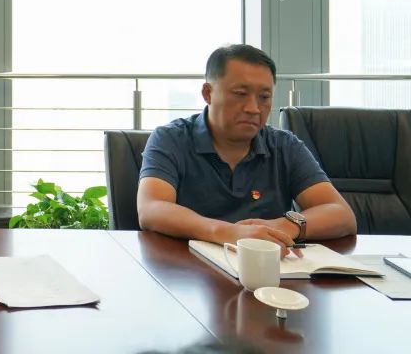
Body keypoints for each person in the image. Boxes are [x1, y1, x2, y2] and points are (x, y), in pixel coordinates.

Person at [137, 44, 356, 256]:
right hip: (188, 269)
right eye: (240, 94)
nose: (253, 108)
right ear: (208, 93)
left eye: (264, 97)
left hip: (268, 271)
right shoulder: (170, 139)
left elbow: (342, 214)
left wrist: (283, 227)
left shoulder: (284, 146)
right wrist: (227, 232)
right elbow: (152, 208)